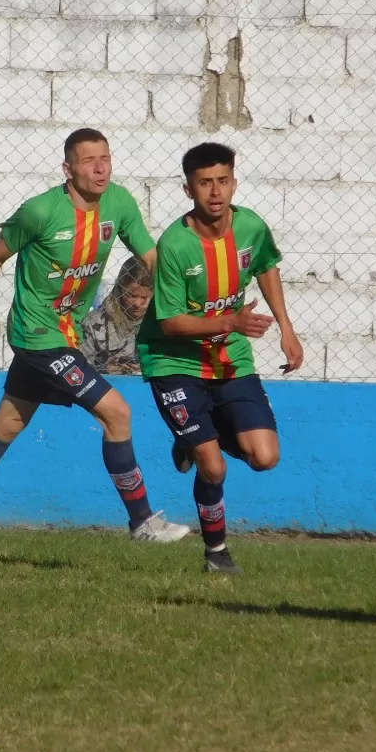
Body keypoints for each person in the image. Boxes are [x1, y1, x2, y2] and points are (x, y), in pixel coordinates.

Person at [0, 127, 190, 542]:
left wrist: (186, 301)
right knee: (117, 412)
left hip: (66, 333)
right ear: (68, 169)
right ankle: (142, 522)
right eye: (89, 161)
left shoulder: (119, 203)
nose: (100, 168)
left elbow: (151, 256)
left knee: (9, 421)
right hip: (35, 333)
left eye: (105, 158)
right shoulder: (40, 212)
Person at [135, 142, 303, 574]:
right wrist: (230, 321)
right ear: (188, 189)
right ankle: (216, 554)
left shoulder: (250, 227)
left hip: (229, 358)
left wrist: (287, 329)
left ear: (234, 183)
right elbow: (170, 323)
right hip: (174, 362)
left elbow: (266, 266)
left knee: (265, 457)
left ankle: (193, 436)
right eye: (205, 183)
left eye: (222, 181)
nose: (215, 192)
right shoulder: (176, 244)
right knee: (213, 466)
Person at [79, 257, 153, 375]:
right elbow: (79, 368)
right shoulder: (94, 322)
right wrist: (101, 369)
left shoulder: (164, 322)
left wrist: (151, 368)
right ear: (120, 289)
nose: (137, 304)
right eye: (131, 295)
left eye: (144, 297)